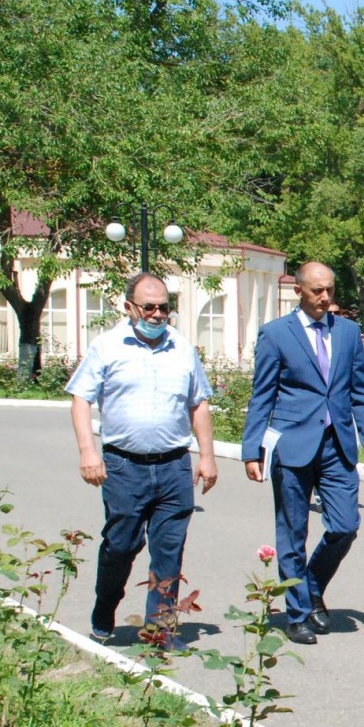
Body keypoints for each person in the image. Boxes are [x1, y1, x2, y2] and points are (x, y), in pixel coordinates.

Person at [68, 273, 218, 647]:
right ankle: (106, 604)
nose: (156, 314)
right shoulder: (107, 347)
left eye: (164, 307)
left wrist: (207, 456)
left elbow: (198, 402)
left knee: (168, 551)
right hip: (124, 466)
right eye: (148, 307)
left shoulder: (183, 349)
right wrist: (88, 451)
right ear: (129, 307)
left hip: (173, 466)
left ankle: (159, 630)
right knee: (121, 546)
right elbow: (81, 399)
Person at [240, 262, 364, 646]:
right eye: (317, 291)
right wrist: (252, 450)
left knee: (344, 526)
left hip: (337, 444)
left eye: (330, 290)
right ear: (299, 292)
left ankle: (311, 584)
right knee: (292, 533)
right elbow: (262, 395)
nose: (325, 298)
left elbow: (360, 392)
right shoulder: (275, 335)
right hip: (292, 445)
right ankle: (298, 613)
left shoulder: (349, 332)